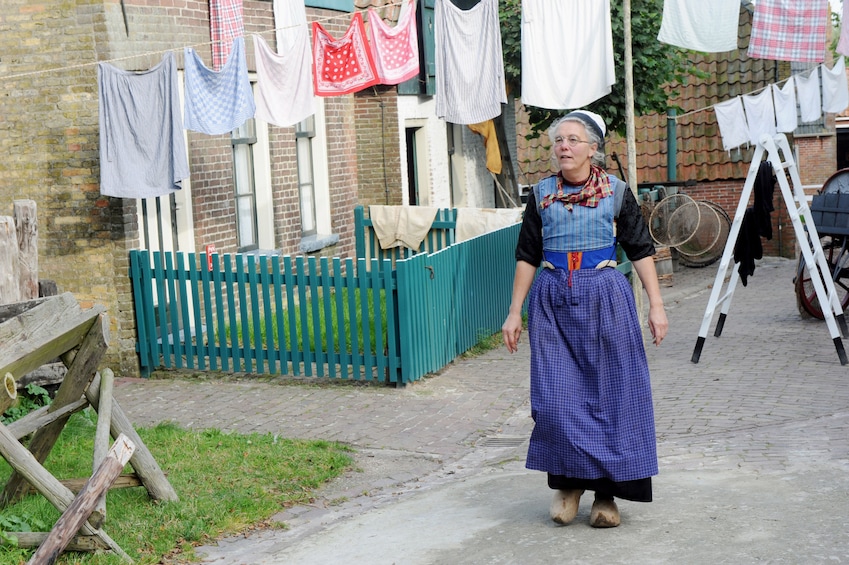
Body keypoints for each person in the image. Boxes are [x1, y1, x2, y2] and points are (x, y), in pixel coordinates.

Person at [501, 110, 668, 528]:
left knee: (613, 396)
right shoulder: (541, 195)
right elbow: (527, 255)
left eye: (574, 140)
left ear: (593, 148)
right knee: (556, 398)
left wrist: (657, 305)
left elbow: (641, 248)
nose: (564, 147)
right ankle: (569, 486)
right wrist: (513, 311)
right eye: (559, 140)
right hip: (554, 298)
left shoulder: (615, 192)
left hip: (604, 297)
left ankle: (606, 495)